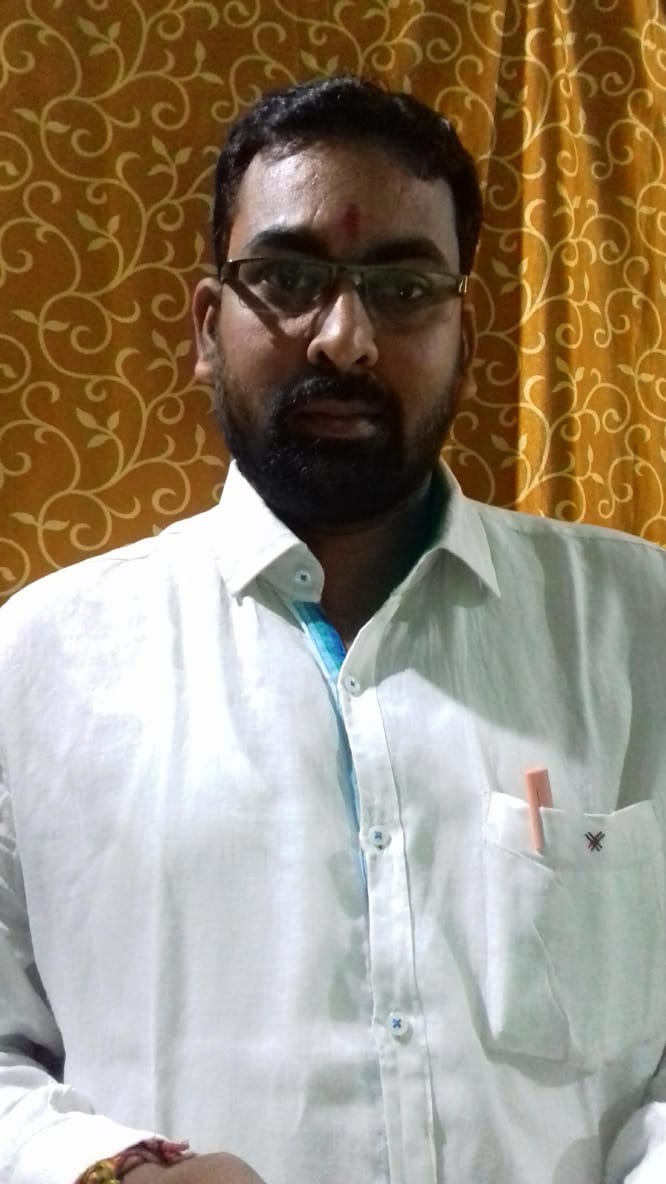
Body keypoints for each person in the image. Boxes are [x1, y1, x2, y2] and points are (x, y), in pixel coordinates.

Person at [0, 74, 665, 1184]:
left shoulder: (638, 626)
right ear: (206, 326)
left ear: (462, 331)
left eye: (403, 287)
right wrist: (105, 1166)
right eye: (288, 279)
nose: (346, 338)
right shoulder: (37, 663)